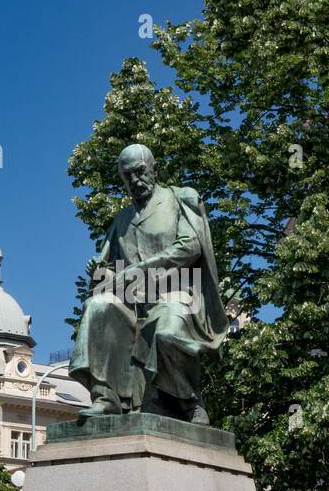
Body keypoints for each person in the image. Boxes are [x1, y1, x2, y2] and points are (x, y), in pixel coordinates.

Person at [69, 144, 228, 423]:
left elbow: (190, 246)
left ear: (154, 169)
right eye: (127, 176)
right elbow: (111, 273)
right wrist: (101, 271)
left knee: (166, 332)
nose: (135, 181)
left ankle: (188, 401)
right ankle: (106, 397)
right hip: (132, 298)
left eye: (140, 172)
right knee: (97, 306)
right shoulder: (121, 220)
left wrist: (141, 268)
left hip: (178, 293)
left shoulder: (180, 199)